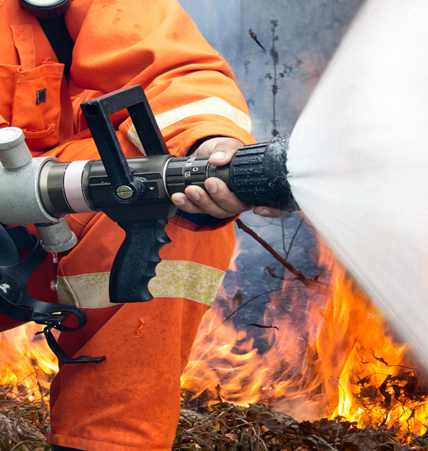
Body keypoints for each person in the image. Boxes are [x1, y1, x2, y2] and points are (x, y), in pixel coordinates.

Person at [0, 1, 283, 450]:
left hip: (22, 233)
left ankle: (107, 441)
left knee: (150, 190)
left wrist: (209, 144)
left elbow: (166, 68)